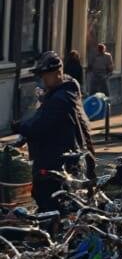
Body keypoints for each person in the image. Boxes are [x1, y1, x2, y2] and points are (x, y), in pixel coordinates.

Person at [14, 52, 96, 212]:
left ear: (58, 74)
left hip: (55, 160)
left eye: (46, 75)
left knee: (47, 197)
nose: (43, 79)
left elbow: (41, 125)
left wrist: (19, 126)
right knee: (52, 199)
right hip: (59, 157)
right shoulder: (60, 93)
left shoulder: (60, 98)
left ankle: (53, 232)